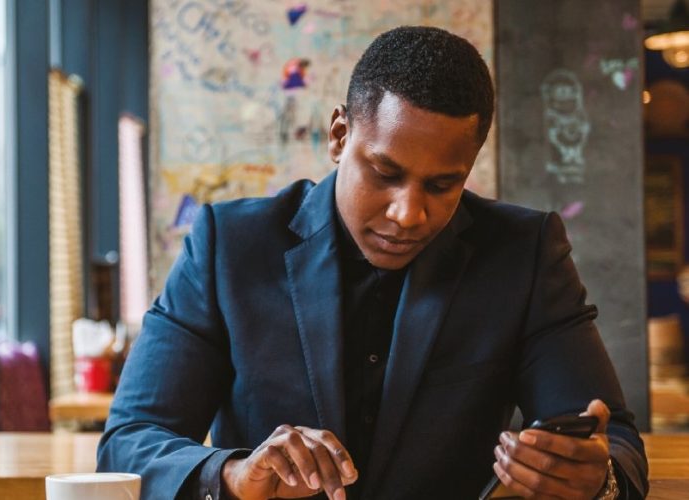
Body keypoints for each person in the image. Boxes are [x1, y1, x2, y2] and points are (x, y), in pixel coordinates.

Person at [97, 26, 648, 500]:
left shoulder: (523, 254)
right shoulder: (229, 246)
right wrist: (235, 475)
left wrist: (596, 480)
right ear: (340, 135)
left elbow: (615, 442)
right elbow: (129, 441)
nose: (409, 214)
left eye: (442, 184)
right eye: (385, 173)